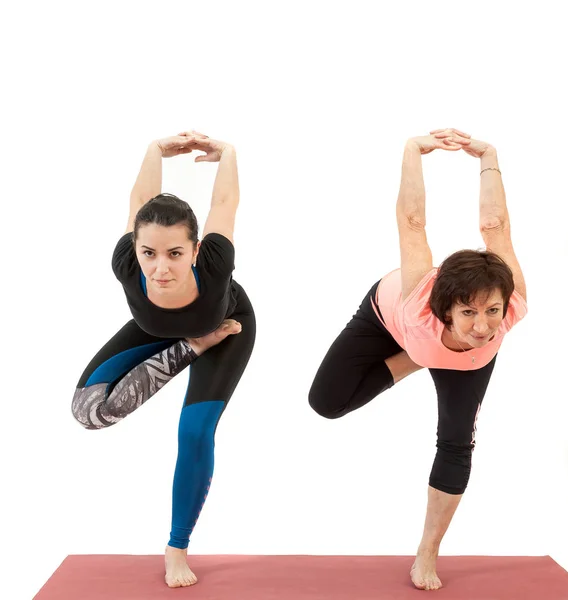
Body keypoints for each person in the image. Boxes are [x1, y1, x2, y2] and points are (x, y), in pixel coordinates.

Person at [308, 128, 528, 591]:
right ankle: (416, 357)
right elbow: (411, 222)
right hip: (387, 319)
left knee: (456, 443)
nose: (483, 327)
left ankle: (427, 551)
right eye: (468, 313)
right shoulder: (417, 300)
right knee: (326, 402)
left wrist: (488, 156)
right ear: (445, 309)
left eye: (491, 311)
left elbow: (496, 227)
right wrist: (413, 150)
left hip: (462, 363)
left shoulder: (511, 307)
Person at [71, 131, 256, 588]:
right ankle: (194, 346)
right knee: (88, 411)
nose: (160, 268)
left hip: (229, 327)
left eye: (175, 253)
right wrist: (155, 149)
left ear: (195, 251)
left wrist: (228, 153)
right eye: (149, 253)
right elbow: (139, 199)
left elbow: (225, 203)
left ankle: (177, 548)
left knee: (194, 432)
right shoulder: (126, 263)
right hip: (167, 334)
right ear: (135, 249)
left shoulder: (215, 264)